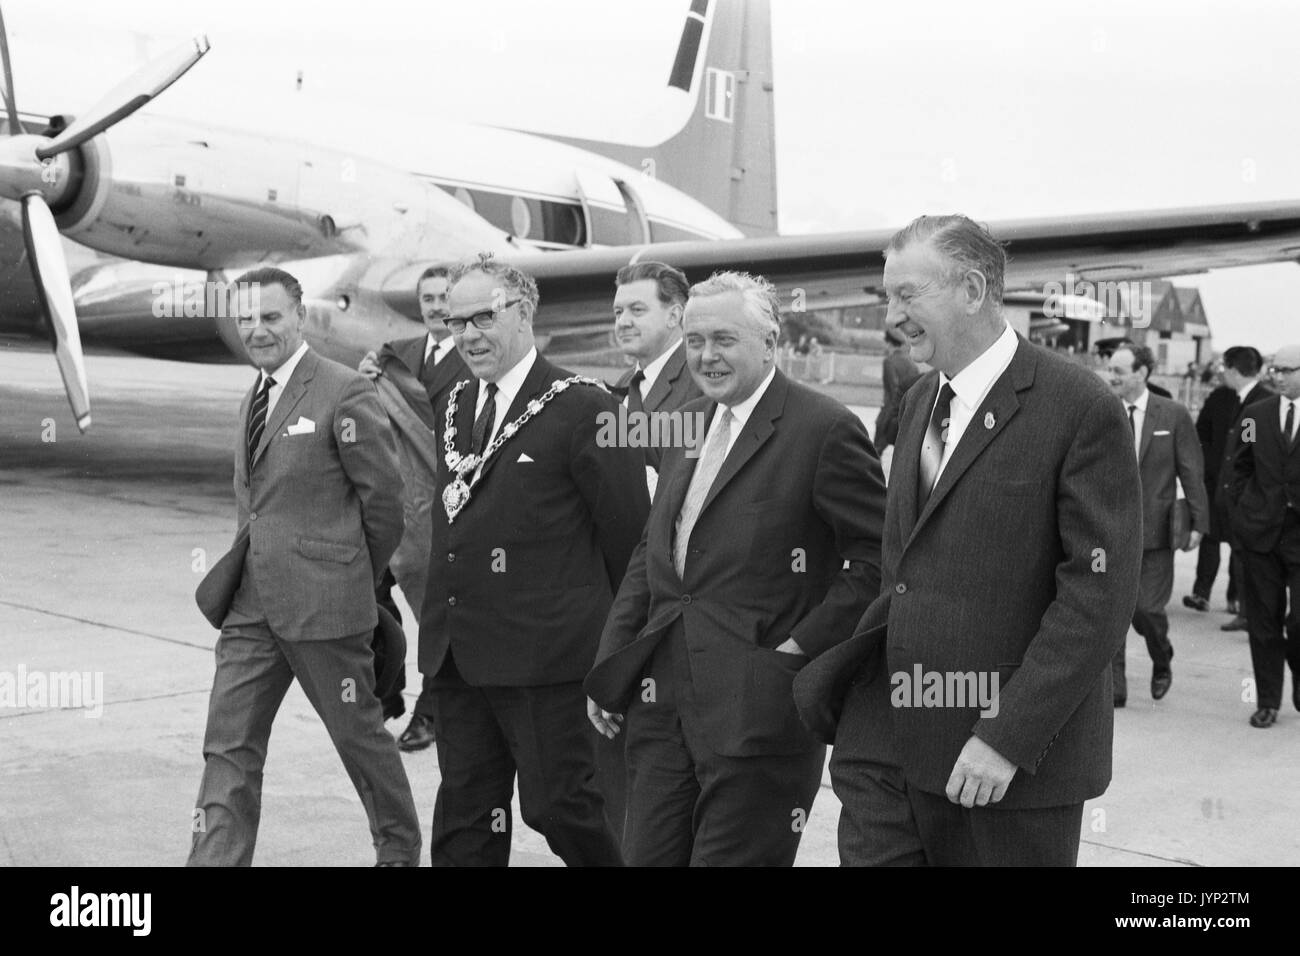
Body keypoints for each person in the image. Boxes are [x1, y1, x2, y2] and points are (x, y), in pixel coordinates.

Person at [794, 215, 1142, 866]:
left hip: (1005, 769)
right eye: (886, 297)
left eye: (908, 296)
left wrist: (1008, 736)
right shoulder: (922, 399)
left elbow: (1097, 595)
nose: (892, 315)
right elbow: (905, 566)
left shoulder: (1079, 407)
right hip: (891, 747)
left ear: (973, 290)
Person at [584, 271, 885, 866]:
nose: (705, 355)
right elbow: (653, 554)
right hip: (661, 707)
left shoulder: (824, 429)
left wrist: (798, 652)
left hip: (759, 713)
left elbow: (875, 560)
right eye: (695, 340)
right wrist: (613, 659)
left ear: (770, 341)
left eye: (723, 339)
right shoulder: (687, 422)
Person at [419, 253, 648, 866]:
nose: (468, 335)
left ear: (522, 314)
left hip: (546, 663)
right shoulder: (455, 405)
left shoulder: (586, 407)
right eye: (455, 321)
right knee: (464, 817)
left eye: (482, 318)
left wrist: (617, 656)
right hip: (459, 657)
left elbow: (630, 540)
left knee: (561, 809)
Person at [189, 267, 420, 866]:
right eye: (246, 319)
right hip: (250, 607)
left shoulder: (343, 390)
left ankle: (398, 852)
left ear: (299, 317)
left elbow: (385, 504)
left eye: (270, 317)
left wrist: (346, 579)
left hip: (325, 608)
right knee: (228, 747)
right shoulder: (255, 394)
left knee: (358, 740)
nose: (257, 330)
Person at [358, 265, 470, 752]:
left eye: (445, 296)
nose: (436, 305)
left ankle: (432, 709)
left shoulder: (476, 358)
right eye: (428, 297)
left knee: (437, 614)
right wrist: (365, 379)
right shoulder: (394, 357)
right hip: (391, 505)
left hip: (447, 508)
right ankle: (384, 698)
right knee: (372, 603)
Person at [1106, 345, 1208, 705]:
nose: (1111, 376)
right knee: (1111, 612)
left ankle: (1161, 657)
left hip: (1155, 531)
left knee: (1146, 609)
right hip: (1108, 529)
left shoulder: (1173, 414)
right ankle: (1115, 689)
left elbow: (1191, 470)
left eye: (1119, 371)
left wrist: (1199, 521)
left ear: (1142, 373)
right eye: (1111, 369)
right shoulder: (1102, 409)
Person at [1229, 346, 1300, 728]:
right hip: (1261, 534)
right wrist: (1243, 513)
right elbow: (1238, 466)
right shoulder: (1255, 416)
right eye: (1276, 370)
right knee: (1263, 622)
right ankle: (1268, 700)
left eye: (1288, 370)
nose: (1279, 376)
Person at [1185, 347, 1270, 619]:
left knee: (1239, 547)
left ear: (1233, 370)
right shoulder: (1218, 397)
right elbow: (1202, 433)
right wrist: (1210, 463)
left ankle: (1236, 600)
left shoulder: (1264, 402)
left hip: (1243, 491)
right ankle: (1202, 593)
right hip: (1214, 484)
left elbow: (1258, 447)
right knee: (1210, 538)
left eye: (1224, 368)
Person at [610, 260, 702, 492]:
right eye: (618, 312)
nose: (623, 322)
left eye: (637, 310)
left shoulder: (703, 382)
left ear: (674, 316)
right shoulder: (621, 385)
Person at [875, 325, 923, 454]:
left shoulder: (889, 362)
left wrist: (885, 419)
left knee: (875, 451)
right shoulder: (911, 361)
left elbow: (892, 391)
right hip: (908, 411)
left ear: (889, 343)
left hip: (891, 411)